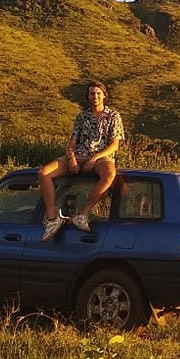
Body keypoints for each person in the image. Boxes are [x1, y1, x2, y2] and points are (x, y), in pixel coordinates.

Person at [38, 80, 125, 242]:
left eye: (98, 93)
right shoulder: (82, 116)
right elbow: (72, 142)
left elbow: (114, 145)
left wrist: (95, 158)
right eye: (92, 93)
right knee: (44, 173)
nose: (95, 96)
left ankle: (82, 214)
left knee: (109, 174)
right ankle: (52, 219)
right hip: (78, 154)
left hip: (101, 157)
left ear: (104, 96)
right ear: (88, 96)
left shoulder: (113, 116)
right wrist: (71, 158)